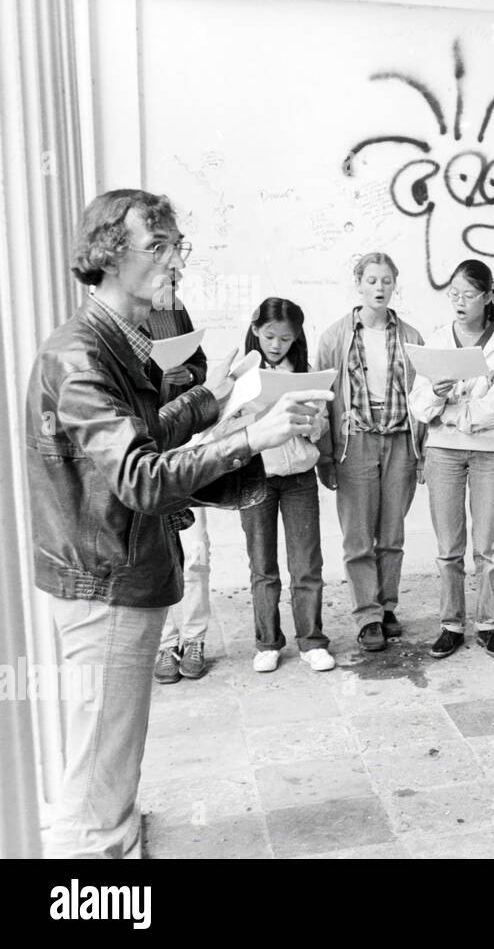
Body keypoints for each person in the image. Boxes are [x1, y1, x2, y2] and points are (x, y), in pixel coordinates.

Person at [26, 188, 332, 858]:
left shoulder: (114, 340)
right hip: (104, 580)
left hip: (115, 567)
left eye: (177, 244)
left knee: (112, 753)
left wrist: (215, 401)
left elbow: (142, 435)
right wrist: (251, 438)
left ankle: (115, 833)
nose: (176, 261)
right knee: (94, 773)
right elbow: (137, 475)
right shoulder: (77, 354)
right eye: (156, 246)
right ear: (107, 256)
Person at [409, 259, 494, 660]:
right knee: (448, 545)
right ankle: (451, 625)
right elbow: (419, 404)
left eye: (469, 295)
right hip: (442, 452)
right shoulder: (438, 338)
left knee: (488, 546)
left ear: (489, 296)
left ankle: (488, 624)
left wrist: (449, 410)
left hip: (492, 453)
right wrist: (439, 395)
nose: (459, 301)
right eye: (453, 294)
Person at [316, 252, 425, 653]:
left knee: (392, 533)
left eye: (386, 280)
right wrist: (325, 455)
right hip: (356, 439)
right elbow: (323, 399)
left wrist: (423, 451)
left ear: (395, 284)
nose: (379, 288)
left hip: (399, 439)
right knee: (358, 535)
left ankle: (387, 605)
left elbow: (423, 395)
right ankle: (367, 615)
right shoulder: (335, 337)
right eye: (372, 280)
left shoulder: (411, 337)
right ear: (358, 284)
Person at [240, 297, 334, 673]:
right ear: (255, 330)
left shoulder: (306, 374)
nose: (276, 345)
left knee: (306, 562)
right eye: (268, 336)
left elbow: (320, 428)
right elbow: (225, 426)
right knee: (262, 564)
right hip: (254, 476)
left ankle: (312, 641)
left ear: (296, 338)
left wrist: (312, 423)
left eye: (285, 338)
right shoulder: (242, 374)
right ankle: (267, 642)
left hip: (298, 477)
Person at [146, 299, 214, 684]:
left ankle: (194, 639)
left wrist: (188, 376)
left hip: (184, 443)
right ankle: (164, 643)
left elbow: (199, 364)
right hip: (147, 447)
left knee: (195, 549)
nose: (174, 279)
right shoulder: (121, 317)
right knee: (156, 551)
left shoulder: (176, 309)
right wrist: (161, 383)